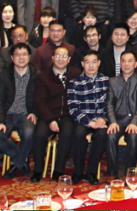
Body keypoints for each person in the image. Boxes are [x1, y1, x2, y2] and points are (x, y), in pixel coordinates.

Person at [31, 46, 82, 183]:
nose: (61, 59)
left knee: (67, 133)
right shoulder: (42, 76)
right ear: (52, 58)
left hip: (67, 115)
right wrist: (50, 120)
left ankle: (58, 170)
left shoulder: (76, 74)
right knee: (39, 135)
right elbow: (40, 102)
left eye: (64, 56)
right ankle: (38, 169)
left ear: (69, 59)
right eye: (58, 56)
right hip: (48, 116)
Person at [0, 42, 38, 180]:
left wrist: (34, 112)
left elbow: (41, 98)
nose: (21, 57)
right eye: (17, 54)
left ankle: (16, 165)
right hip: (7, 115)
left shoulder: (37, 75)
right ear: (12, 57)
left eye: (24, 54)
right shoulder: (4, 75)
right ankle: (22, 160)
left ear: (29, 56)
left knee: (29, 134)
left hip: (26, 115)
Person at [67, 50, 109, 186]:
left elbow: (111, 104)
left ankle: (91, 172)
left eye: (94, 62)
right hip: (83, 120)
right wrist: (89, 122)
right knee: (78, 135)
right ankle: (78, 172)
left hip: (100, 120)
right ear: (82, 64)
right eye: (87, 62)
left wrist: (104, 118)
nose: (91, 66)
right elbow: (73, 108)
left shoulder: (106, 81)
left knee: (102, 135)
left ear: (99, 63)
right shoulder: (75, 82)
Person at [106, 50, 137, 179]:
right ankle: (112, 173)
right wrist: (112, 122)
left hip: (136, 120)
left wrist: (134, 122)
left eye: (130, 61)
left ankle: (129, 173)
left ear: (135, 64)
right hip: (118, 120)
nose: (126, 64)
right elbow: (109, 104)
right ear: (120, 64)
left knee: (133, 136)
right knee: (111, 136)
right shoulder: (112, 81)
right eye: (123, 61)